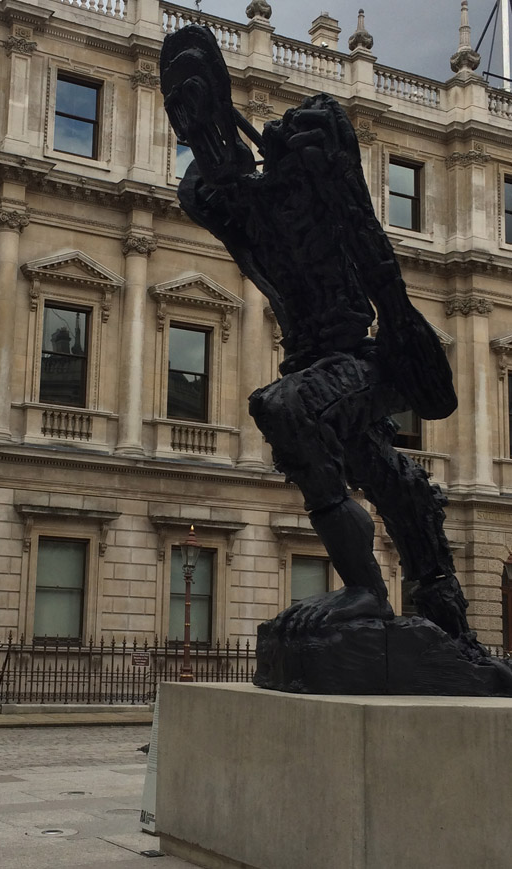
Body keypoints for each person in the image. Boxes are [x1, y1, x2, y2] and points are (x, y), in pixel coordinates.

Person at [159, 25, 480, 654]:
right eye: (183, 119)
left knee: (283, 406)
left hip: (360, 360)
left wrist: (329, 167)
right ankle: (443, 613)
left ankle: (365, 589)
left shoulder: (324, 195)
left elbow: (379, 270)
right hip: (317, 363)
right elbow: (209, 185)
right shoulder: (232, 202)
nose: (196, 132)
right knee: (393, 482)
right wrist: (214, 120)